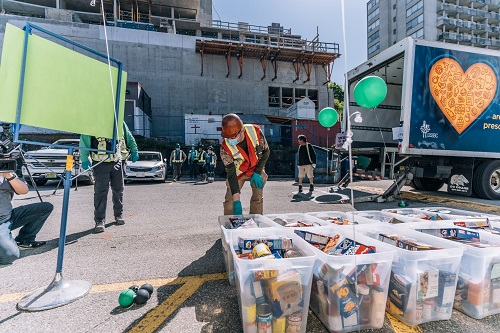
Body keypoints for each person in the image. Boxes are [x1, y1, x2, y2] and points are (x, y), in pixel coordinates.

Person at [80, 122, 138, 233]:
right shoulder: (92, 121)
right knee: (101, 192)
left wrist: (134, 149)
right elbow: (84, 140)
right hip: (100, 163)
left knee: (118, 190)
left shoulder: (118, 120)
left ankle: (119, 215)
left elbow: (128, 136)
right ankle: (100, 221)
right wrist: (84, 158)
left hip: (117, 161)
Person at [220, 114, 270, 215]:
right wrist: (237, 200)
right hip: (238, 172)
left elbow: (266, 152)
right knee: (230, 200)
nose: (230, 140)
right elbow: (231, 172)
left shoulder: (255, 132)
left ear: (242, 131)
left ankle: (255, 223)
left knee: (257, 198)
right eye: (228, 137)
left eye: (233, 137)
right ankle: (230, 224)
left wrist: (257, 172)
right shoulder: (225, 147)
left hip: (256, 168)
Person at [0, 171, 53, 264]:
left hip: (8, 217)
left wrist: (9, 176)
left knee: (45, 208)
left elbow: (24, 190)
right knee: (9, 256)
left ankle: (24, 240)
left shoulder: (6, 169)